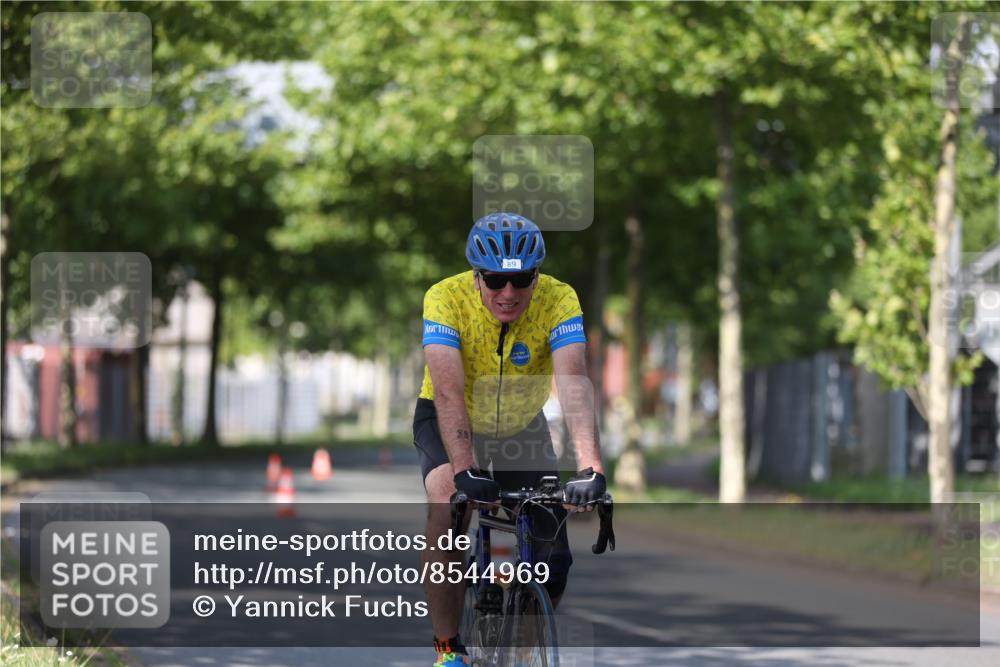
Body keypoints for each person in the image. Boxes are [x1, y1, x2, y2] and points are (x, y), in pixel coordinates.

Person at [412, 212, 607, 667]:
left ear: (536, 275)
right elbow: (447, 389)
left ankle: (519, 652)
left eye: (520, 280)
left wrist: (590, 468)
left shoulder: (560, 298)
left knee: (552, 557)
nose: (508, 293)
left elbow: (573, 381)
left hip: (521, 423)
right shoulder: (445, 297)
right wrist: (465, 469)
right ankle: (447, 650)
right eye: (496, 280)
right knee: (449, 503)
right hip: (446, 417)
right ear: (478, 276)